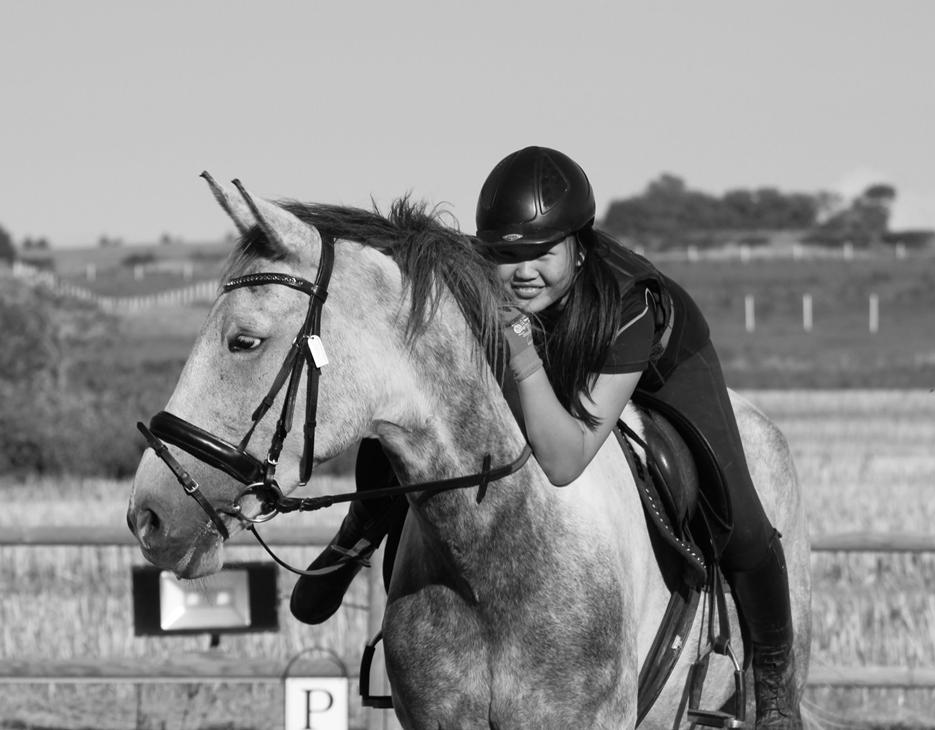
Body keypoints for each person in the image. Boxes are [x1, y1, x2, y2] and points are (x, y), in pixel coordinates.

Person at [290, 146, 801, 728]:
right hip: (536, 350)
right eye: (505, 255)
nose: (523, 271)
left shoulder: (630, 303)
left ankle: (778, 700)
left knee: (741, 518)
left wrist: (520, 351)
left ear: (578, 246)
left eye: (542, 253)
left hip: (658, 364)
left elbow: (564, 459)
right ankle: (362, 525)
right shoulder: (482, 284)